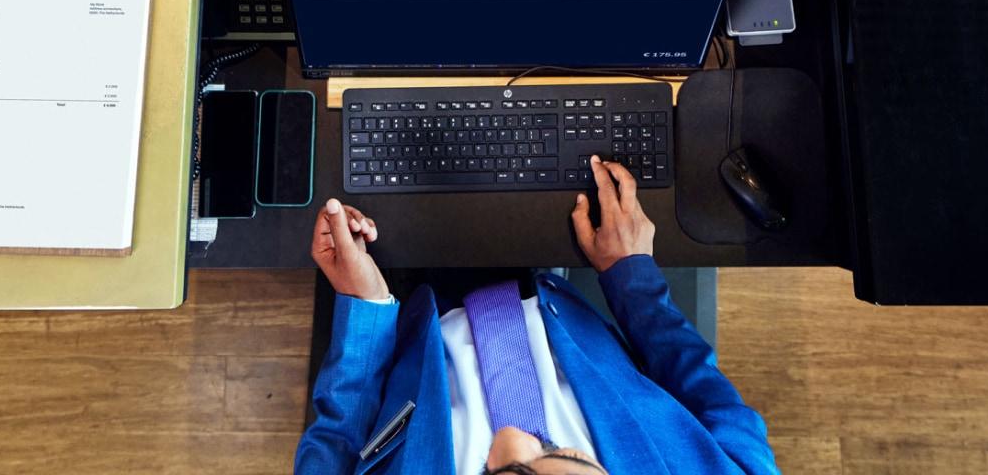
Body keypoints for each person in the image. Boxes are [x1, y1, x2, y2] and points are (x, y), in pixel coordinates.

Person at [296, 155, 779, 474]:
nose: (512, 436)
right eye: (556, 451)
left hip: (418, 321)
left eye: (497, 473)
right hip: (561, 310)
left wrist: (365, 305)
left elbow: (340, 434)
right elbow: (717, 406)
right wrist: (632, 278)